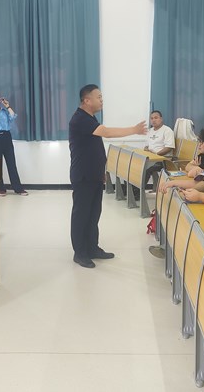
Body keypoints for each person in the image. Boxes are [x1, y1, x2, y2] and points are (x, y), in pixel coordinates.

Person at [69, 84, 147, 269]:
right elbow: (106, 132)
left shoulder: (90, 118)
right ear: (87, 100)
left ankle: (92, 248)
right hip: (83, 176)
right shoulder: (80, 119)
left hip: (93, 175)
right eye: (99, 97)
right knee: (82, 215)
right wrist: (134, 129)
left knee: (93, 214)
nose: (102, 100)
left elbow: (93, 148)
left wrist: (101, 171)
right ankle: (80, 253)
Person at [0, 91, 27, 196]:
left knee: (12, 163)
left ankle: (18, 188)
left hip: (7, 137)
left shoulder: (4, 111)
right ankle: (0, 188)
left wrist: (7, 106)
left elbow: (13, 116)